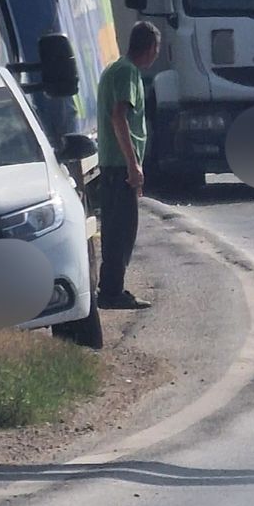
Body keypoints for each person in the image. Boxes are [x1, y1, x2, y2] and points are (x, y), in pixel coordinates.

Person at [96, 21, 161, 310]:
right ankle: (111, 291)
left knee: (116, 228)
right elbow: (118, 117)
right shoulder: (128, 73)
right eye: (155, 50)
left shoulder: (115, 68)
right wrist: (133, 165)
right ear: (150, 48)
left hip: (114, 164)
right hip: (119, 165)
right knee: (121, 231)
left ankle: (111, 288)